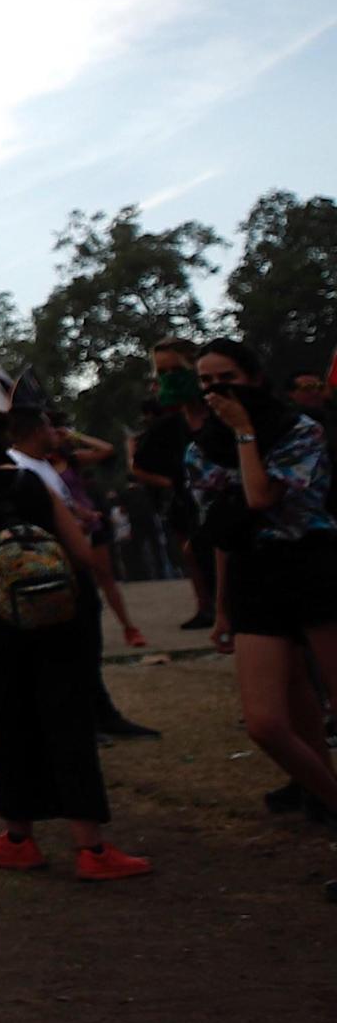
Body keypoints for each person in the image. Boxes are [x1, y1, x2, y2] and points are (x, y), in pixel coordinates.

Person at [0, 400, 151, 880]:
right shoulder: (32, 479)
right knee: (69, 722)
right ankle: (91, 847)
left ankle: (18, 838)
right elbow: (80, 550)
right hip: (57, 616)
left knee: (6, 725)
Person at [186, 339, 337, 853]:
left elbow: (260, 496)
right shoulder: (201, 449)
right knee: (267, 722)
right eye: (205, 382)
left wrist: (245, 433)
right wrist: (221, 605)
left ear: (253, 377)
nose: (214, 391)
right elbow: (226, 532)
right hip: (255, 577)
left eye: (224, 377)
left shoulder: (301, 432)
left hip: (314, 567)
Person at [1, 404, 156, 740]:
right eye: (47, 427)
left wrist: (81, 515)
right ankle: (85, 717)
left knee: (86, 643)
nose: (54, 433)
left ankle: (99, 712)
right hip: (57, 568)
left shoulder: (42, 466)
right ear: (34, 431)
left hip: (73, 563)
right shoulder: (17, 467)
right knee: (72, 648)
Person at [129, 341, 219, 630]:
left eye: (176, 369)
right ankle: (208, 607)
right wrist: (174, 484)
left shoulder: (223, 414)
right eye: (162, 371)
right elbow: (138, 466)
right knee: (195, 556)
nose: (169, 377)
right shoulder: (167, 426)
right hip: (190, 508)